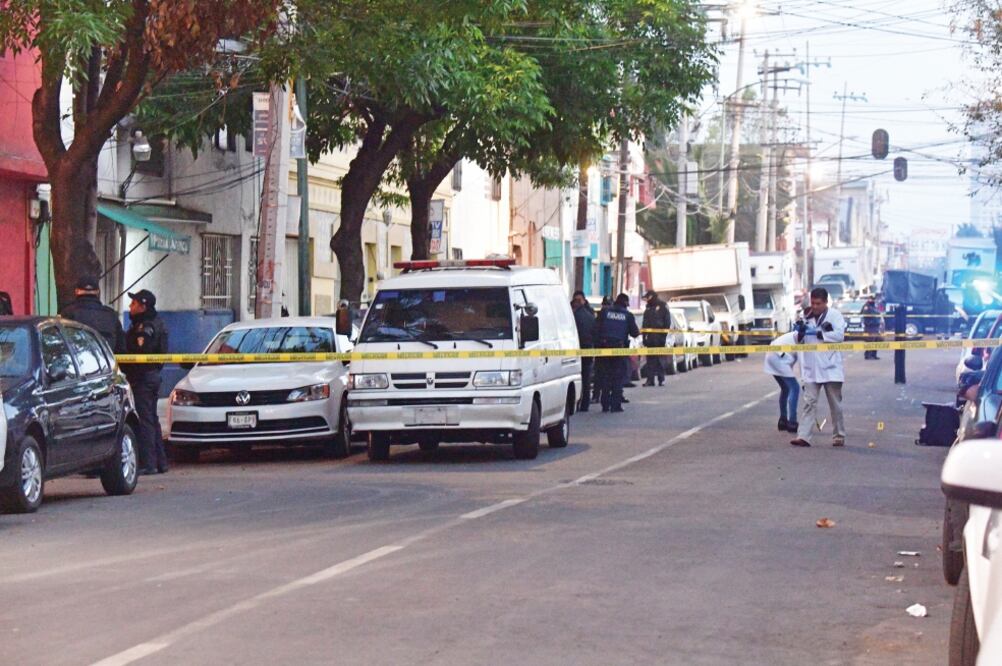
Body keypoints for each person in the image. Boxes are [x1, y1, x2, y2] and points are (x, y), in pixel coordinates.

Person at [120, 289, 170, 474]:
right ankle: (160, 462)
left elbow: (141, 355)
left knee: (144, 420)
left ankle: (149, 463)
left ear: (143, 306)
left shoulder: (145, 328)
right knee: (152, 419)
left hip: (144, 378)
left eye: (133, 304)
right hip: (151, 376)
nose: (130, 307)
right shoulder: (151, 323)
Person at [791, 287, 847, 448]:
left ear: (825, 302)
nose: (814, 307)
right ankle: (803, 436)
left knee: (835, 404)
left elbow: (839, 336)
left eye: (818, 303)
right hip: (811, 367)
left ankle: (839, 435)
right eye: (813, 303)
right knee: (809, 403)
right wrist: (800, 332)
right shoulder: (805, 316)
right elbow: (796, 338)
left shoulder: (835, 316)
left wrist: (820, 333)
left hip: (830, 367)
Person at [594, 293, 639, 413]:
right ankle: (615, 405)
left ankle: (605, 404)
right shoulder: (627, 315)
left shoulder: (604, 313)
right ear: (625, 304)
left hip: (604, 350)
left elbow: (595, 329)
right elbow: (635, 333)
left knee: (605, 377)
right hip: (619, 351)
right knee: (617, 379)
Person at [60, 275, 126, 352]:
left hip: (77, 362)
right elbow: (121, 348)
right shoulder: (111, 315)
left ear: (76, 291)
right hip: (107, 362)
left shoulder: (67, 313)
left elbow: (61, 345)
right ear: (98, 291)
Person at [764, 331, 799, 433]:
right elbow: (804, 366)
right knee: (795, 388)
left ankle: (783, 420)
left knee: (786, 388)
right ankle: (792, 422)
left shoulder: (793, 335)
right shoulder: (804, 340)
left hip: (772, 356)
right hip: (778, 357)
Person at [571, 291, 596, 411]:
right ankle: (584, 404)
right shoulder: (590, 314)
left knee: (575, 377)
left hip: (576, 350)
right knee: (585, 378)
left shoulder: (573, 315)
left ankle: (576, 402)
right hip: (588, 349)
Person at [640, 290, 670, 387]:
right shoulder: (648, 307)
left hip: (659, 337)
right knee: (650, 360)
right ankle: (650, 380)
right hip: (650, 338)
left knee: (660, 359)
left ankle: (661, 379)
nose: (646, 300)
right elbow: (644, 323)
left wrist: (663, 336)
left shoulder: (662, 306)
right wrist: (644, 337)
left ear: (651, 296)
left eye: (647, 297)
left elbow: (667, 322)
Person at [861, 295, 881, 360]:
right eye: (871, 299)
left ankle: (874, 355)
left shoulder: (874, 306)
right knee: (870, 341)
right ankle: (868, 355)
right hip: (870, 326)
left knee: (876, 340)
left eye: (873, 299)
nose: (872, 300)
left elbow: (878, 313)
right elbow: (865, 314)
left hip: (876, 326)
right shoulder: (866, 306)